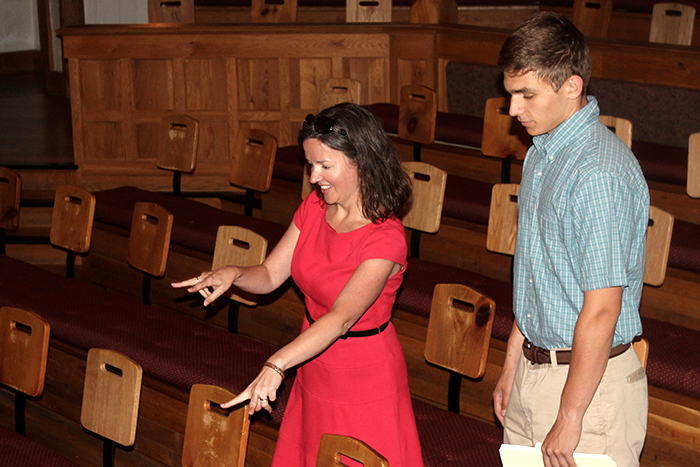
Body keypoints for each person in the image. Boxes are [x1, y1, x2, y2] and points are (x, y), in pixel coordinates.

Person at [172, 103, 424, 467]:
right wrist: (234, 273)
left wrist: (276, 365)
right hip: (315, 361)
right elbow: (272, 275)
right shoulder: (315, 207)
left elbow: (340, 319)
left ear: (362, 162)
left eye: (325, 165)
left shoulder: (385, 238)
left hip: (363, 376)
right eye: (310, 165)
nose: (313, 177)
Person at [491, 12, 650, 467]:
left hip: (586, 388)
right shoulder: (541, 154)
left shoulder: (597, 173)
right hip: (534, 371)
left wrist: (571, 412)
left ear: (572, 86)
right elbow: (537, 277)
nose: (514, 109)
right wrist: (511, 368)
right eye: (511, 95)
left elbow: (603, 307)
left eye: (527, 95)